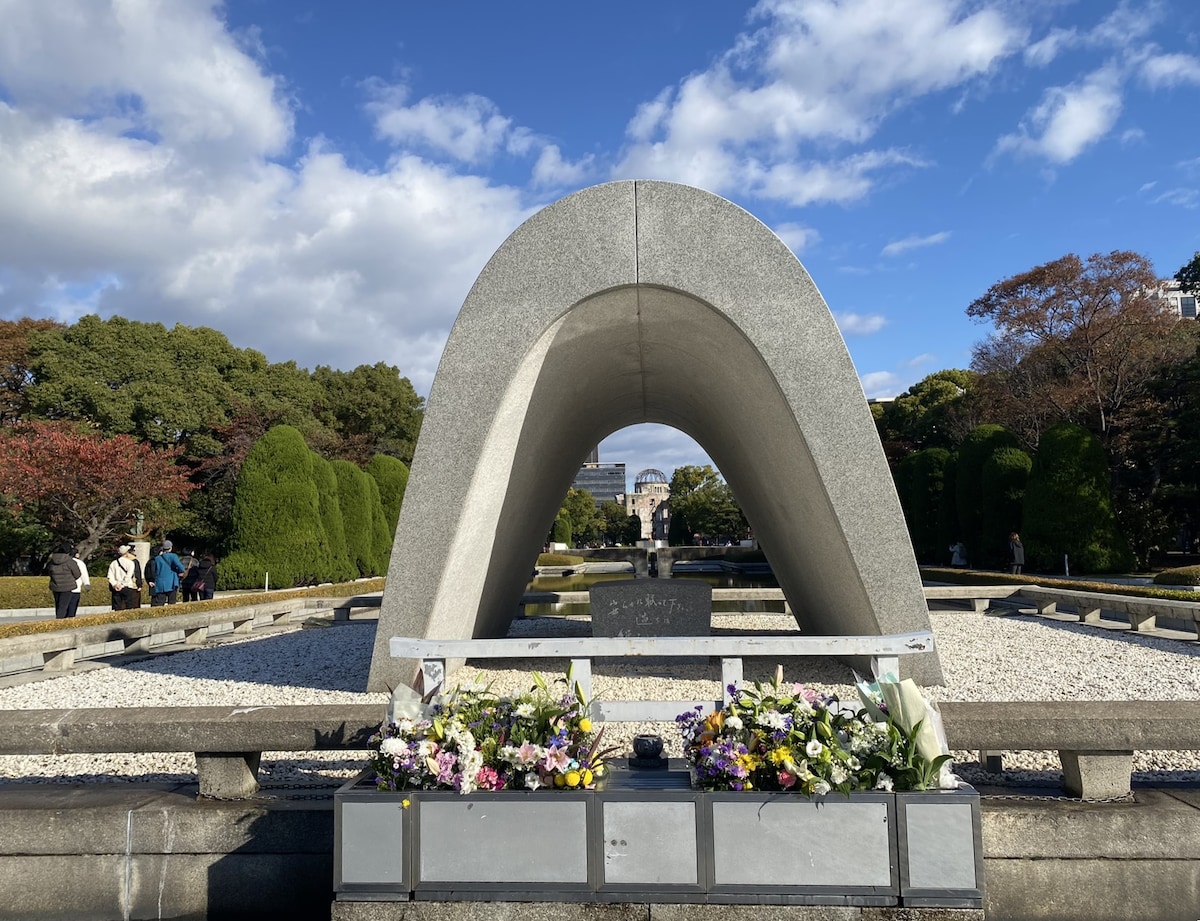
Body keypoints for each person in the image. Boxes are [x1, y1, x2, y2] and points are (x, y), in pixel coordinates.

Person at [47, 542, 81, 619]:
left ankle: (59, 618)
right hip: (67, 586)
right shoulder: (70, 561)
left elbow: (49, 572)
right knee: (64, 606)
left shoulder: (52, 561)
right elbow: (77, 574)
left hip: (55, 585)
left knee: (58, 604)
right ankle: (60, 622)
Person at [148, 539, 186, 606]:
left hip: (160, 583)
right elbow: (181, 568)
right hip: (171, 582)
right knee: (171, 602)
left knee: (160, 602)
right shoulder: (173, 556)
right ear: (170, 548)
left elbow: (154, 570)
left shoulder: (157, 558)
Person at [106, 545, 142, 610]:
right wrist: (122, 585)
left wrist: (115, 585)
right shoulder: (130, 563)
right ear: (126, 553)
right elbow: (128, 576)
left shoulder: (113, 563)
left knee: (117, 607)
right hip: (127, 586)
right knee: (129, 606)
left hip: (116, 587)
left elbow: (110, 576)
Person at [69, 546, 91, 615]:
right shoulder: (80, 563)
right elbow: (84, 575)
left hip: (64, 588)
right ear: (76, 554)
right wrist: (87, 584)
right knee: (72, 608)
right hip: (76, 588)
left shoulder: (65, 562)